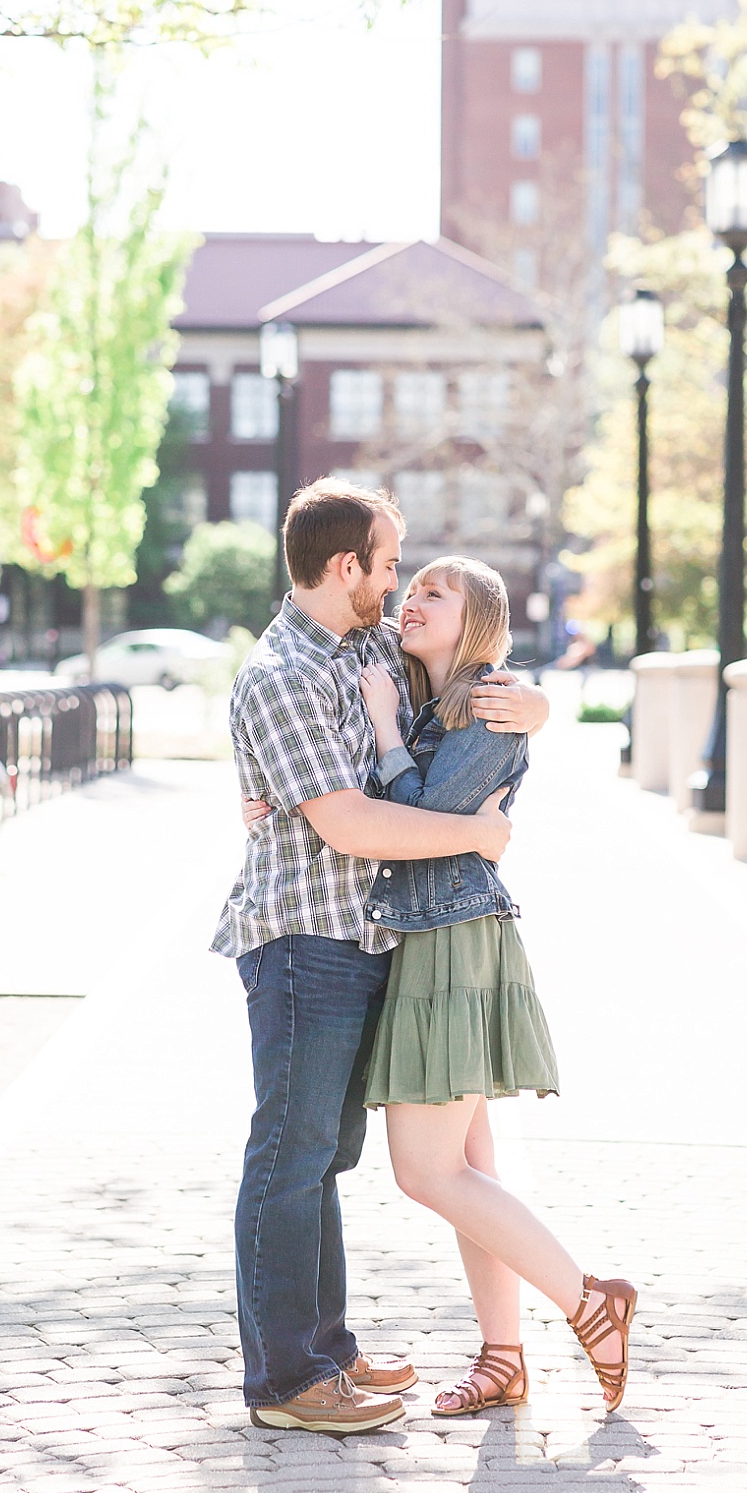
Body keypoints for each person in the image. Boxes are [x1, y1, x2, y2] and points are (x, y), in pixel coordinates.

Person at [213, 480, 549, 1436]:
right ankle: (286, 1381)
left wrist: (537, 703)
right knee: (288, 1157)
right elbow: (351, 822)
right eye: (390, 563)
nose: (399, 581)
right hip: (301, 940)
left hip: (365, 935)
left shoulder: (362, 641)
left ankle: (328, 1351)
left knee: (326, 1155)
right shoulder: (278, 675)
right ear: (345, 567)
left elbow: (466, 679)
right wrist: (473, 841)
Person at [355, 555, 638, 1417]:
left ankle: (590, 1300)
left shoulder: (490, 701)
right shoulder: (423, 697)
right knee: (473, 1168)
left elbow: (432, 821)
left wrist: (386, 736)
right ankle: (503, 1357)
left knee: (426, 1171)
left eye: (435, 593)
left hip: (455, 939)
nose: (413, 601)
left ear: (478, 618)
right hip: (428, 937)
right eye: (412, 590)